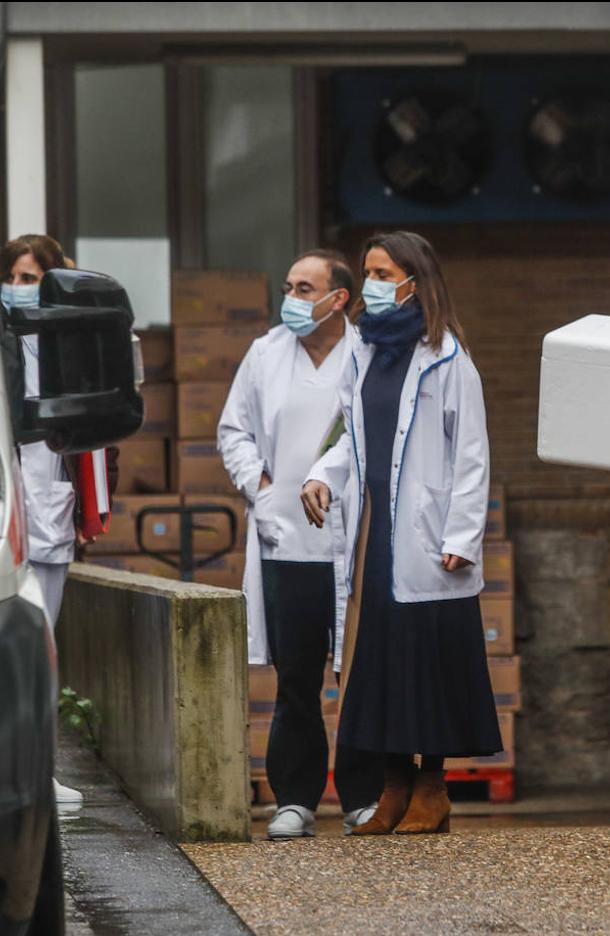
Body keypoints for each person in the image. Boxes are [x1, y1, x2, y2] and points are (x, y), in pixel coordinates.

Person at [301, 231, 501, 836]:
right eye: (369, 273)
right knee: (378, 661)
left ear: (415, 281)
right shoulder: (362, 352)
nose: (373, 285)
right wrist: (321, 477)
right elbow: (351, 439)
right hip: (374, 535)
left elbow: (472, 456)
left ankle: (431, 789)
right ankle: (392, 788)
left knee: (426, 661)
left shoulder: (448, 359)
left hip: (428, 536)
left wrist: (463, 536)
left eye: (384, 274)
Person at [218, 248, 381, 839]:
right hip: (284, 539)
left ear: (339, 299)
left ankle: (364, 795)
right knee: (296, 681)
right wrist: (261, 488)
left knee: (359, 674)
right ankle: (296, 798)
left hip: (352, 543)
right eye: (287, 285)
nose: (291, 297)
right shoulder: (266, 354)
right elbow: (233, 429)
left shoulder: (367, 355)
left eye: (304, 288)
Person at [0, 233, 117, 808]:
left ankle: (37, 771)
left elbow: (101, 432)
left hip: (49, 516)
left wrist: (99, 501)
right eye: (13, 278)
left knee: (41, 648)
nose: (19, 290)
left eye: (31, 280)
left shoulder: (74, 348)